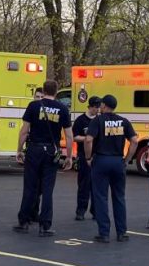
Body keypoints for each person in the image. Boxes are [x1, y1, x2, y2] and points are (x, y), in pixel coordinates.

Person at [13, 81, 73, 237]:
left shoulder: (34, 106)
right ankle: (45, 225)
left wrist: (19, 150)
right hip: (51, 152)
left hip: (34, 149)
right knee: (47, 189)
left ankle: (24, 222)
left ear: (44, 90)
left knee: (30, 187)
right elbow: (68, 135)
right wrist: (69, 156)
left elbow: (24, 131)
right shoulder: (62, 109)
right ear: (56, 91)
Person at [85, 94, 138, 243]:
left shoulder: (98, 120)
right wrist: (127, 159)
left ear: (104, 105)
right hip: (117, 161)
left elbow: (88, 140)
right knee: (119, 197)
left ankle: (104, 233)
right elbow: (134, 141)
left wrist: (88, 158)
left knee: (101, 197)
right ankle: (122, 232)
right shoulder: (124, 121)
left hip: (101, 160)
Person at [73, 96, 101, 220]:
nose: (97, 110)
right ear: (90, 107)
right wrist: (87, 139)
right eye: (95, 107)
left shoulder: (100, 120)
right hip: (83, 155)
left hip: (97, 155)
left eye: (99, 107)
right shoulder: (80, 120)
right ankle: (81, 211)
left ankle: (96, 211)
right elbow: (75, 136)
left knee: (97, 184)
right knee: (84, 184)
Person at [27, 87, 45, 223]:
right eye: (37, 96)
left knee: (39, 186)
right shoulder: (32, 108)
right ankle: (30, 212)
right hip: (32, 148)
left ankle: (34, 212)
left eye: (41, 97)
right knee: (31, 185)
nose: (38, 99)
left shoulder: (45, 111)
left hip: (41, 151)